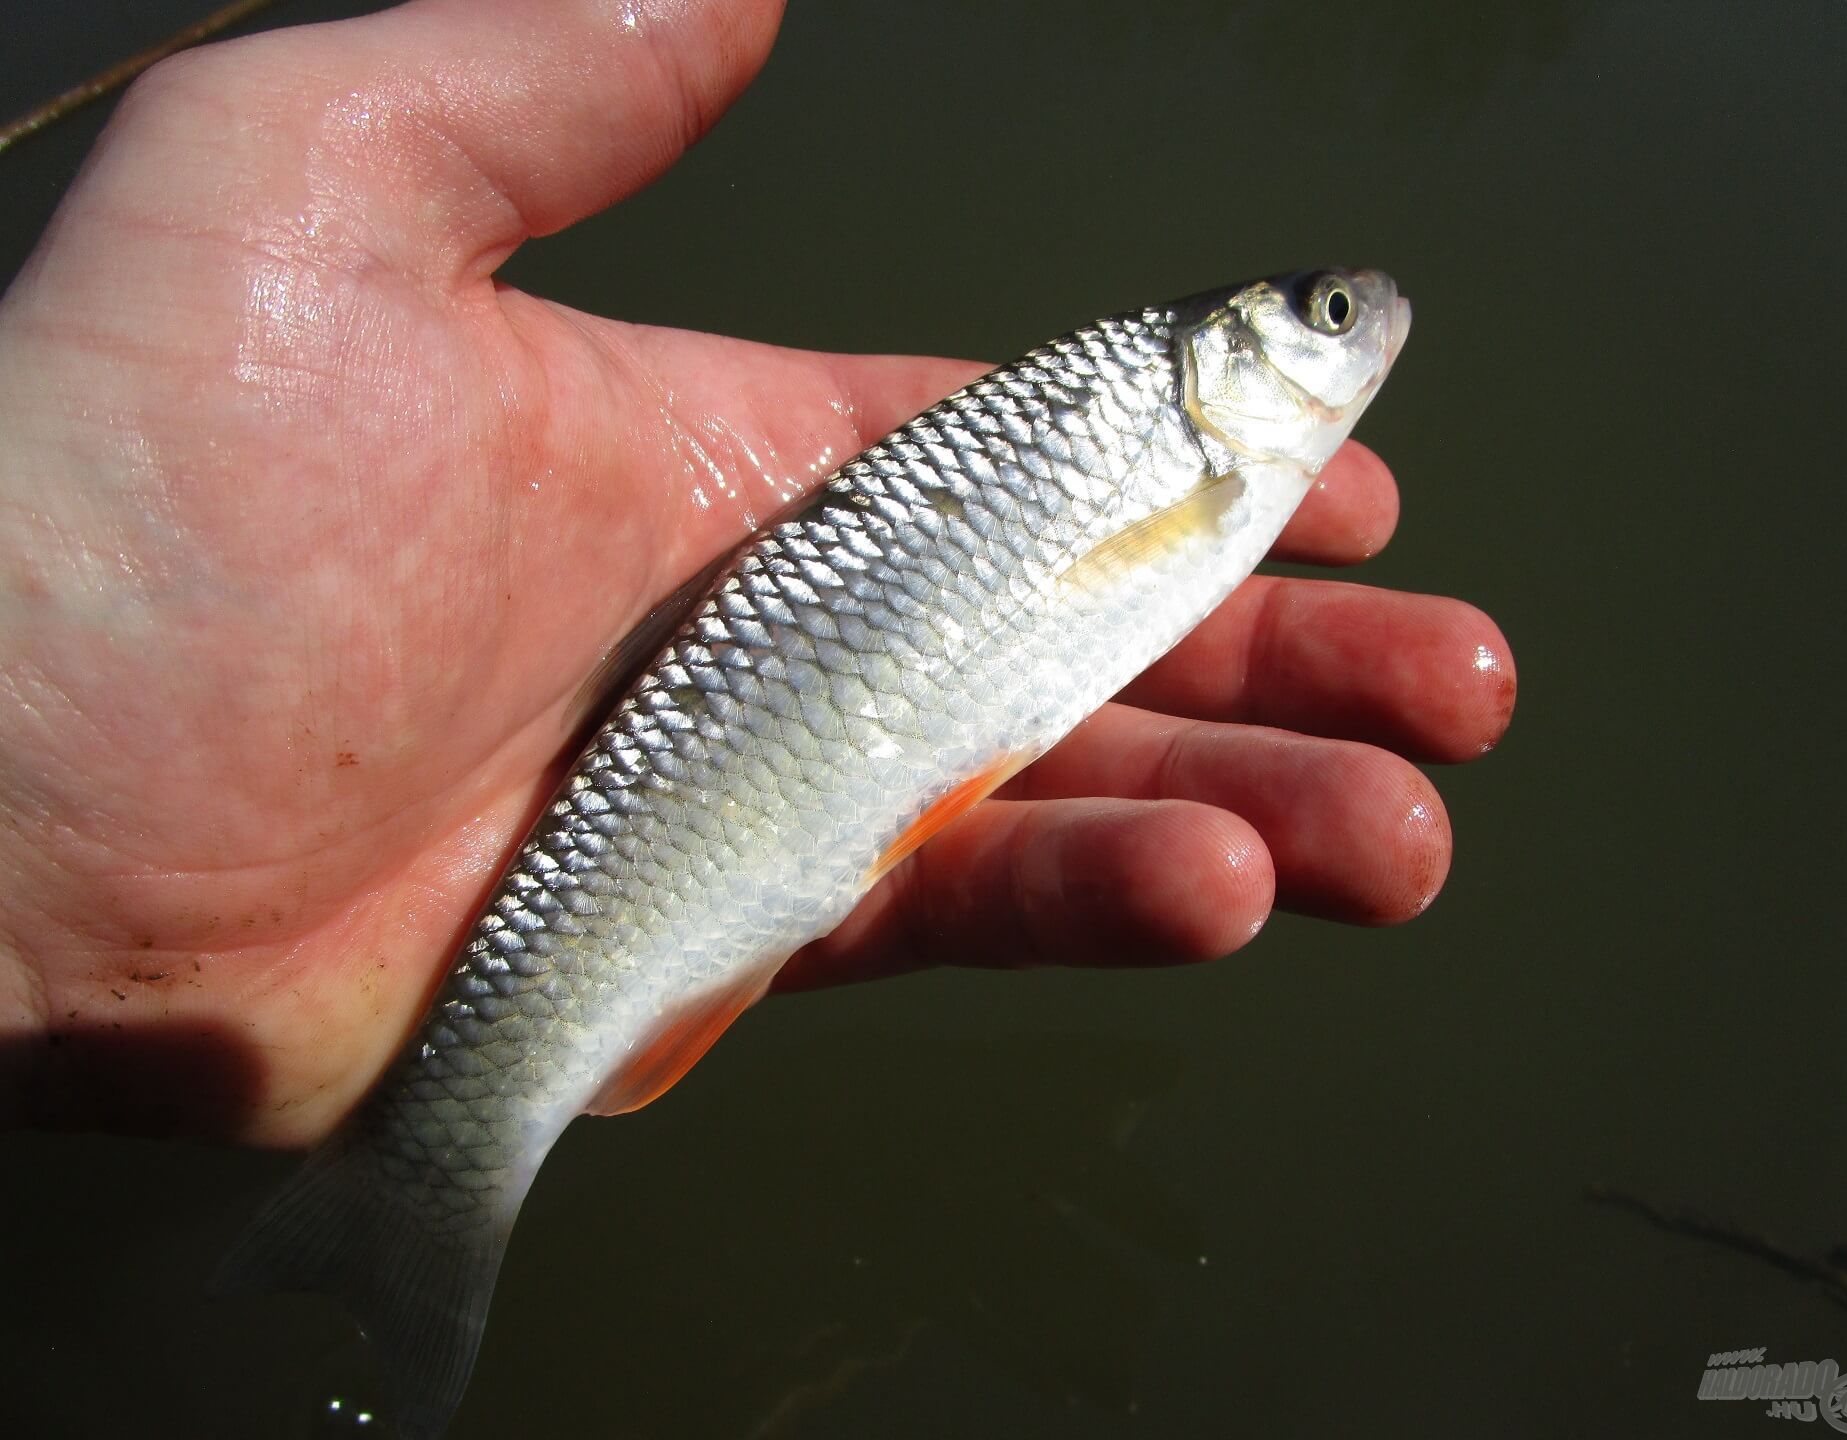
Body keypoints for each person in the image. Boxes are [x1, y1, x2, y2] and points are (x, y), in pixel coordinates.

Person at [0, 0, 1513, 1148]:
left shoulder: (1204, 456)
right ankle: (448, 1154)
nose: (1363, 316)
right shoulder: (1188, 440)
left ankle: (456, 1141)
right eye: (1323, 315)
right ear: (1232, 365)